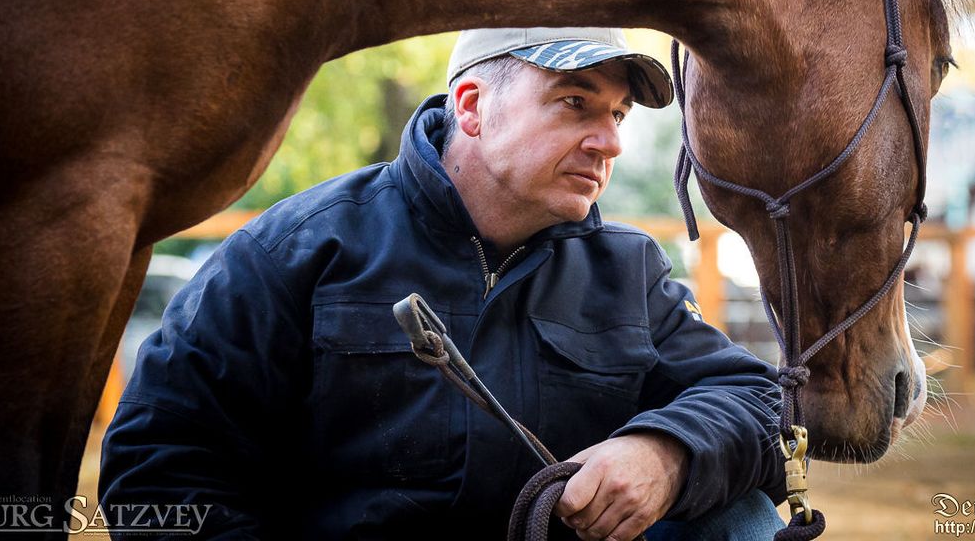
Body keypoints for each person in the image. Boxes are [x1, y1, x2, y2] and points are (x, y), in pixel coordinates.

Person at [100, 27, 787, 540]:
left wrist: (666, 453)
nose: (608, 142)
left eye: (616, 115)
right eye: (575, 102)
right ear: (470, 106)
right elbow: (159, 464)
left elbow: (756, 398)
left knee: (737, 516)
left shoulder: (627, 271)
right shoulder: (294, 251)